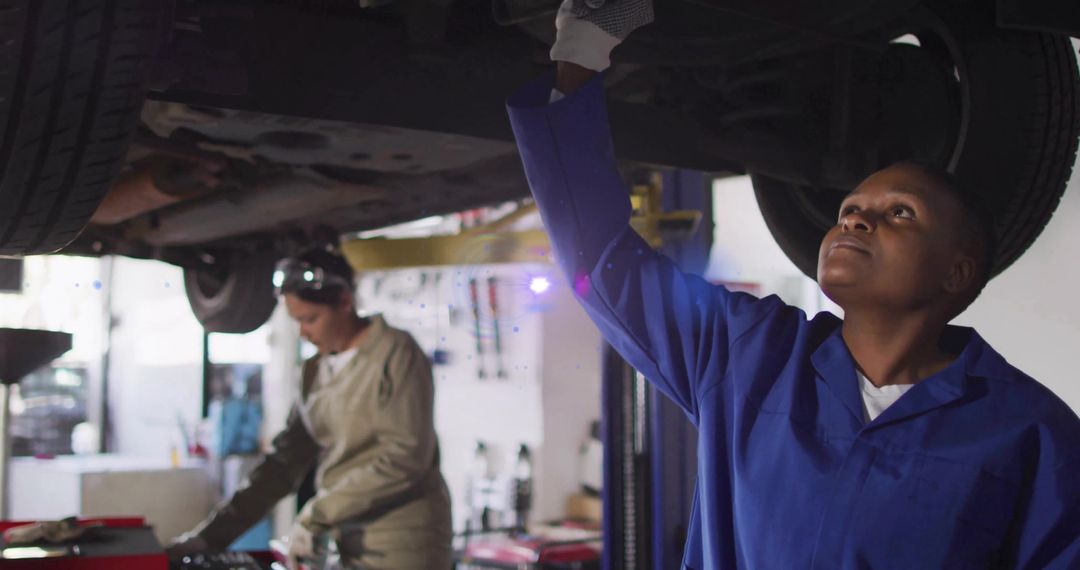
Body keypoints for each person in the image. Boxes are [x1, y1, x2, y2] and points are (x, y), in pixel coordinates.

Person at [506, 3, 1080, 568]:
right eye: (850, 208)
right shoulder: (747, 354)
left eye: (900, 212)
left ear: (957, 270)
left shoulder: (1033, 434)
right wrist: (582, 48)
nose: (855, 219)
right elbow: (602, 259)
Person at [168, 245, 452, 569]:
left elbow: (405, 457)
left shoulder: (395, 353)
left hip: (403, 544)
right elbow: (283, 463)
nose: (303, 332)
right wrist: (210, 536)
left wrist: (318, 514)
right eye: (296, 321)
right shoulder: (315, 370)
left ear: (345, 302)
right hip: (345, 540)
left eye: (311, 319)